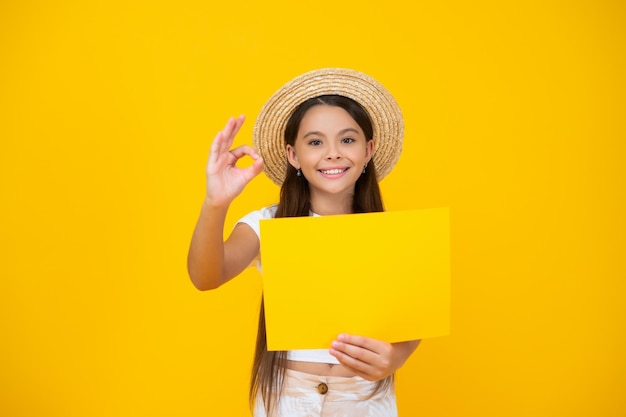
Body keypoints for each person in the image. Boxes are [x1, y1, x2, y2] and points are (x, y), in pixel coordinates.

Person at [187, 68, 420, 417]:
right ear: (293, 155)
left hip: (365, 401)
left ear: (368, 149)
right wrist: (215, 203)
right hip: (289, 401)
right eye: (314, 142)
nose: (332, 153)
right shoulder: (269, 223)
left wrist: (397, 356)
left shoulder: (388, 232)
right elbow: (206, 277)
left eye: (347, 139)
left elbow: (413, 316)